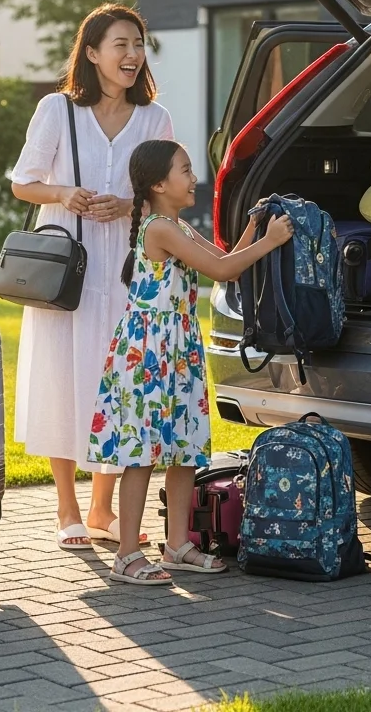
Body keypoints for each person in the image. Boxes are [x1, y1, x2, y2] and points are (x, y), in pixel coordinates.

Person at [88, 139, 293, 585]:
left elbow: (227, 263)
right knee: (141, 453)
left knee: (183, 448)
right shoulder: (159, 229)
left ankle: (177, 544)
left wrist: (255, 229)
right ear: (160, 183)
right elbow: (221, 273)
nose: (194, 177)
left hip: (177, 348)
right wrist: (272, 241)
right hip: (149, 352)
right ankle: (126, 554)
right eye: (185, 169)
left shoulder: (177, 225)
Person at [11, 4, 174, 550]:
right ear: (92, 52)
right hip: (67, 264)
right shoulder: (57, 109)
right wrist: (65, 195)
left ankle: (103, 509)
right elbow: (24, 182)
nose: (132, 55)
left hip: (127, 262)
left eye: (138, 44)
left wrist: (128, 202)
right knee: (62, 371)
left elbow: (166, 194)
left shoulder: (155, 119)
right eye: (120, 45)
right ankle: (67, 508)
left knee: (118, 377)